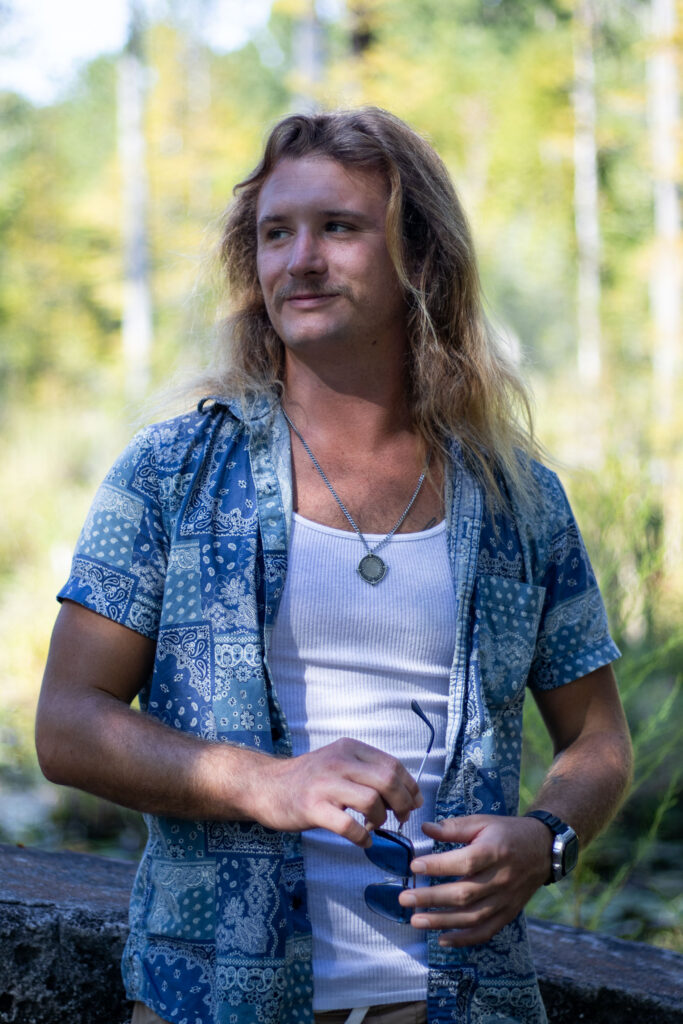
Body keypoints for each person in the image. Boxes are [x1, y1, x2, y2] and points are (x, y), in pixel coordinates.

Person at [36, 107, 633, 1024]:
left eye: (339, 229)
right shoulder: (170, 474)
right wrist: (265, 781)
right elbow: (67, 725)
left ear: (418, 260)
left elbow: (597, 739)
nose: (299, 260)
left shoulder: (518, 499)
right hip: (213, 996)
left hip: (456, 1000)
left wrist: (546, 840)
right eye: (276, 233)